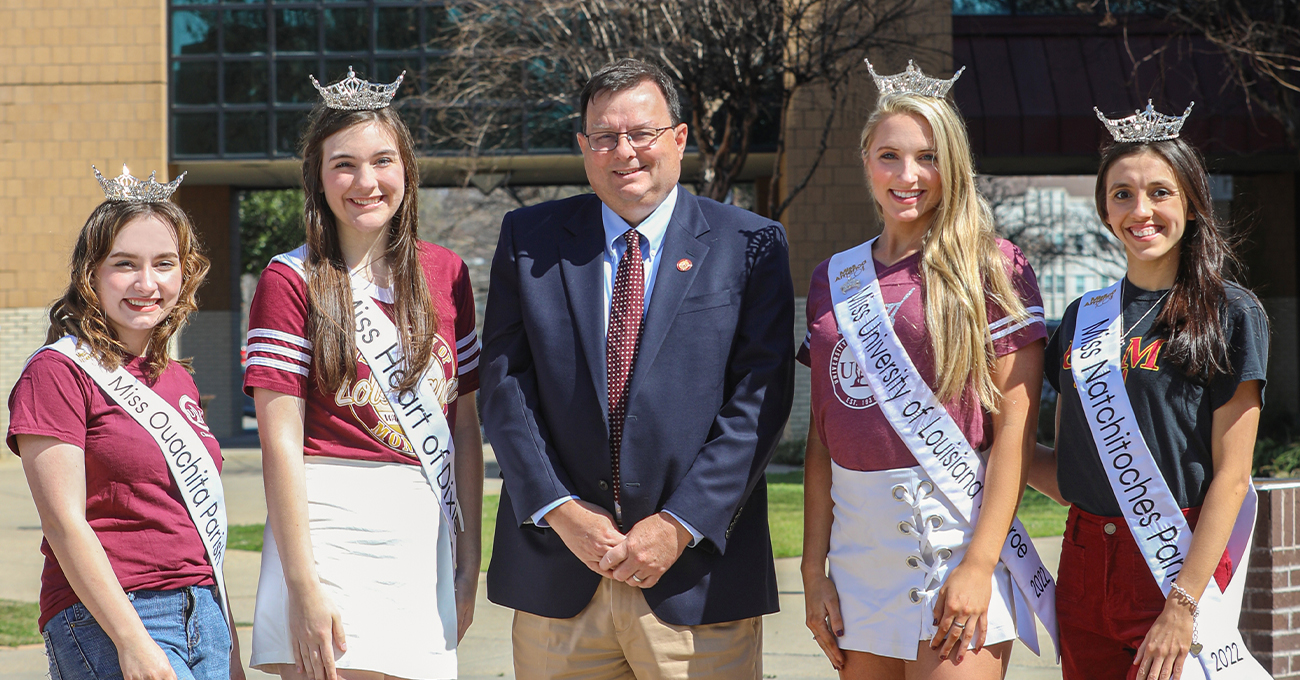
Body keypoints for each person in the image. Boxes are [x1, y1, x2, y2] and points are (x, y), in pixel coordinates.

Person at [479, 57, 795, 680]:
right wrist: (560, 509)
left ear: (678, 139)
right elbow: (504, 389)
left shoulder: (751, 243)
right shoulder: (528, 239)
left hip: (694, 583)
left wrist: (678, 526)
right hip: (560, 578)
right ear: (583, 146)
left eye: (641, 133)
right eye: (604, 136)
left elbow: (760, 399)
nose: (623, 151)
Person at [799, 60, 1057, 680]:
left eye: (927, 157)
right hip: (859, 558)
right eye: (890, 155)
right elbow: (821, 437)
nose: (907, 175)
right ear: (866, 160)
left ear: (953, 166)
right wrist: (813, 573)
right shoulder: (831, 279)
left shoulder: (992, 267)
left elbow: (1014, 426)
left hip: (953, 544)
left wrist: (979, 562)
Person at [243, 67, 484, 680]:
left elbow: (464, 429)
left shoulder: (448, 274)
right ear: (318, 179)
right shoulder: (289, 279)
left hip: (423, 528)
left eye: (382, 161)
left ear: (406, 170)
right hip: (326, 530)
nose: (366, 181)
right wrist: (302, 584)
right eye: (343, 164)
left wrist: (468, 557)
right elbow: (280, 443)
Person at [1030, 102, 1270, 680]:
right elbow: (1069, 472)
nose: (1142, 210)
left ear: (1190, 203)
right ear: (1105, 211)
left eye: (1160, 192)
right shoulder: (1079, 319)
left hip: (1173, 563)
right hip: (1085, 560)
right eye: (1122, 195)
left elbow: (1233, 477)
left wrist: (1182, 604)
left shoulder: (1230, 313)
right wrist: (977, 443)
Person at [8, 166, 241, 680]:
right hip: (113, 616)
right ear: (90, 274)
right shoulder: (58, 372)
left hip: (203, 614)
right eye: (125, 265)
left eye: (164, 264)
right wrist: (131, 641)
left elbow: (193, 523)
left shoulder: (175, 378)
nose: (147, 283)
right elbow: (64, 524)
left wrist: (228, 643)